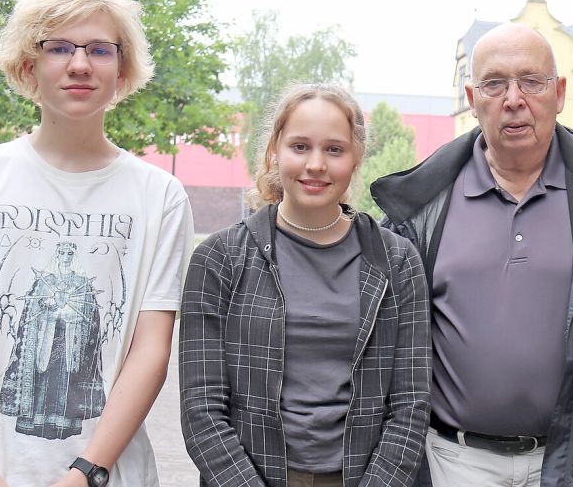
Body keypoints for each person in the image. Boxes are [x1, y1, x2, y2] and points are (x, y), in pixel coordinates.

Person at [0, 0, 194, 487]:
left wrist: (86, 472)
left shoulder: (160, 197)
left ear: (122, 68)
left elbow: (150, 349)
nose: (79, 64)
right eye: (59, 48)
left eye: (99, 49)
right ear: (29, 64)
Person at [371, 23, 573, 487]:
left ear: (559, 92)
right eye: (495, 83)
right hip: (453, 464)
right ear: (472, 96)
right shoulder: (419, 207)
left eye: (531, 81)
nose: (514, 99)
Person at [179, 83, 431, 487]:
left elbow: (410, 406)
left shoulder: (396, 262)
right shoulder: (220, 259)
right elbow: (202, 409)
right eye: (300, 146)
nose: (316, 164)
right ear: (274, 151)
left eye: (334, 149)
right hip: (252, 477)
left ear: (356, 157)